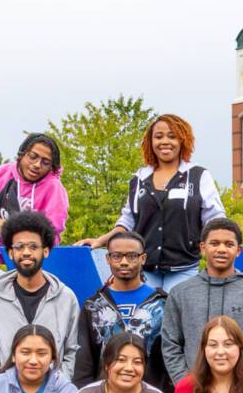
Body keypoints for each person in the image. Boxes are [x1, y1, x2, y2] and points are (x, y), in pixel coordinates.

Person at [77, 114, 227, 290]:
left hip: (184, 269)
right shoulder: (139, 179)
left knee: (174, 315)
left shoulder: (198, 176)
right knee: (145, 316)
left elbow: (215, 220)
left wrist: (217, 249)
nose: (165, 141)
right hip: (144, 269)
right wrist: (100, 241)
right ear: (150, 142)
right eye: (159, 136)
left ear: (183, 140)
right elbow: (127, 221)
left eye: (172, 136)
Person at [163, 218, 243, 380]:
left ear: (238, 250)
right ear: (203, 248)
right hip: (194, 392)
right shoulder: (180, 293)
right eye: (214, 243)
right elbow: (170, 344)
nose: (221, 249)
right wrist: (185, 384)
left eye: (229, 244)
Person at [0, 212, 82, 382]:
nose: (26, 252)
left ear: (46, 251)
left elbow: (73, 351)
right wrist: (1, 386)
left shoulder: (66, 298)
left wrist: (58, 384)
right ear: (10, 252)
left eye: (33, 247)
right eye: (19, 247)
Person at [74, 230, 172, 393]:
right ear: (108, 258)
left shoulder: (163, 304)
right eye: (117, 256)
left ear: (143, 258)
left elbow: (169, 358)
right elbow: (84, 360)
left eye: (132, 256)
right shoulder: (94, 305)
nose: (124, 262)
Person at [0, 133, 70, 262]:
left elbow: (53, 231)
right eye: (33, 157)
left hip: (17, 260)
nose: (37, 165)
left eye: (45, 162)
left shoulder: (54, 188)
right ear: (22, 154)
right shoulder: (3, 172)